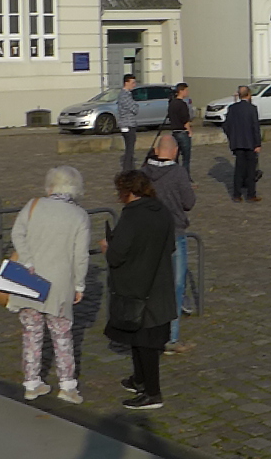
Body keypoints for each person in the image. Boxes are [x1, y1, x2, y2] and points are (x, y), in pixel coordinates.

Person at [10, 166, 91, 403]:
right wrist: (80, 285)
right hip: (59, 285)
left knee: (31, 333)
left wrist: (27, 260)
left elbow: (17, 233)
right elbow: (81, 256)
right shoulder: (79, 216)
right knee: (62, 334)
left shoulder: (33, 205)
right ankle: (67, 386)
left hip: (29, 281)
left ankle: (31, 383)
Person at [103, 168, 175, 410]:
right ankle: (139, 379)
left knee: (144, 342)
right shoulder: (162, 211)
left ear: (127, 192)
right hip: (160, 284)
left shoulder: (131, 216)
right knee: (140, 338)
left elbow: (117, 255)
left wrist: (107, 247)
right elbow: (171, 246)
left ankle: (152, 393)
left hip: (136, 288)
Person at [143, 133, 195, 348]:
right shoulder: (178, 172)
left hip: (147, 234)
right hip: (174, 233)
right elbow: (189, 202)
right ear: (174, 152)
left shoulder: (142, 173)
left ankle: (148, 332)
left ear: (156, 151)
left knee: (149, 285)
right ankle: (171, 337)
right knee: (176, 285)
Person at [224, 86, 265, 203]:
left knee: (239, 169)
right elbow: (255, 127)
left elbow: (226, 125)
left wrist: (232, 137)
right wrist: (258, 143)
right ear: (249, 95)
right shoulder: (252, 108)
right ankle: (251, 194)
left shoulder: (232, 108)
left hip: (237, 143)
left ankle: (237, 195)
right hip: (250, 143)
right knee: (251, 170)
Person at [166, 82, 195, 177]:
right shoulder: (182, 104)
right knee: (186, 158)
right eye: (186, 90)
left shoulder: (172, 103)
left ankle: (175, 175)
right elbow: (185, 119)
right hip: (182, 132)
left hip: (174, 132)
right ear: (181, 91)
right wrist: (189, 131)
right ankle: (185, 177)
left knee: (175, 157)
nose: (187, 92)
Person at [114, 74, 143, 167]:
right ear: (126, 83)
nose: (134, 85)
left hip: (128, 124)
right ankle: (127, 169)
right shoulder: (124, 95)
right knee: (129, 149)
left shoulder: (127, 94)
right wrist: (135, 106)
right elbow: (134, 108)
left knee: (130, 148)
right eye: (132, 83)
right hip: (127, 124)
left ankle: (129, 168)